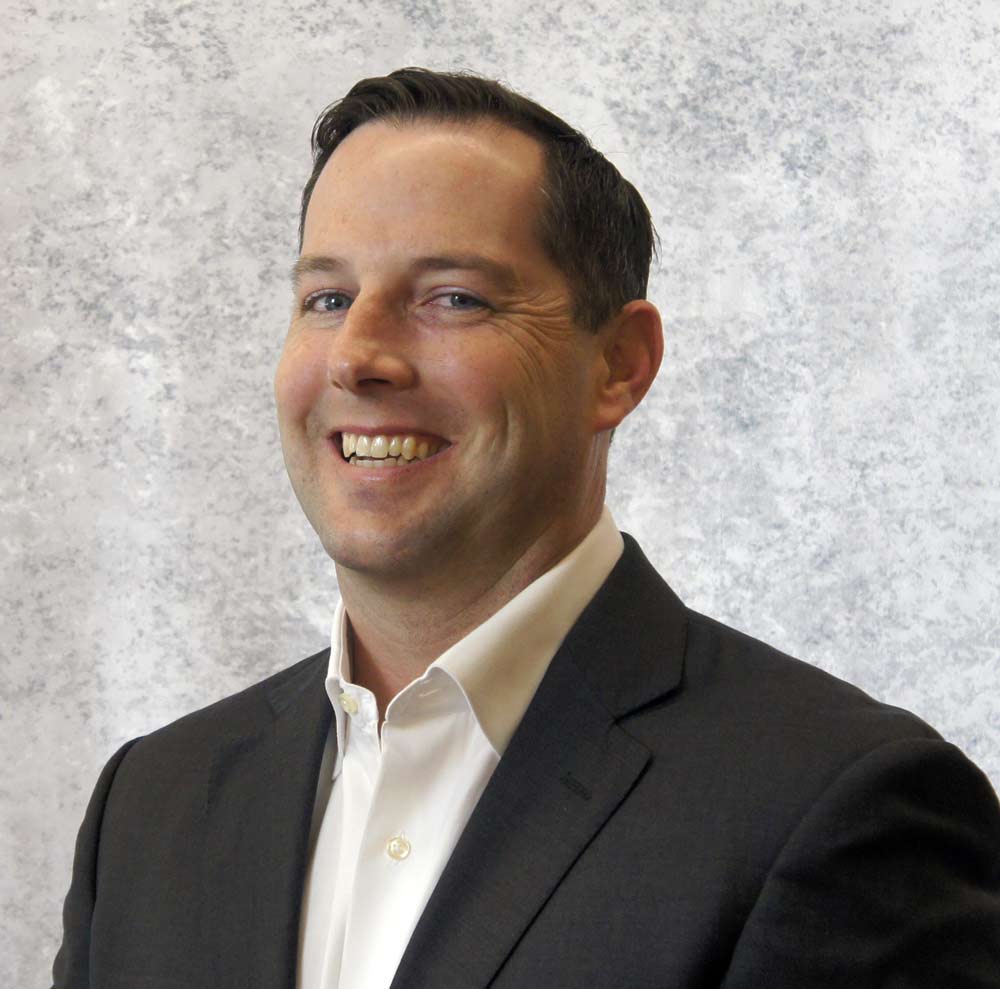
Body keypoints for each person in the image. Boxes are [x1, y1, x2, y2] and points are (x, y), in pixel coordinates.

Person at [53, 67, 1000, 989]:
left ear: (618, 365)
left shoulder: (839, 805)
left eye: (453, 297)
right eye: (327, 298)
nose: (360, 356)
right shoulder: (151, 804)